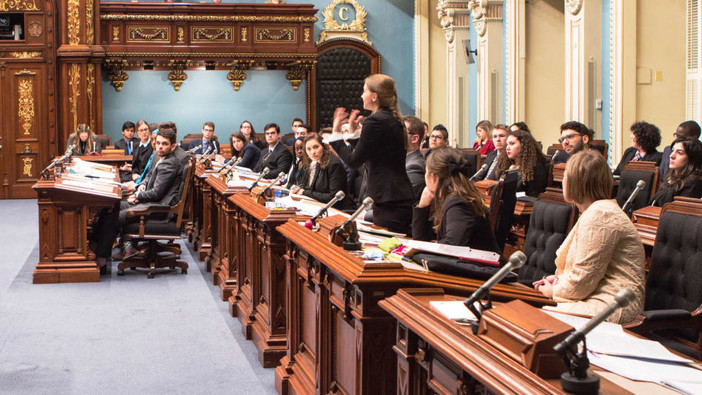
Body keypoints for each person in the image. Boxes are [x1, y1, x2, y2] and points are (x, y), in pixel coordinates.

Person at [533, 150, 645, 324]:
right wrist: (559, 280)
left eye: (565, 177)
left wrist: (552, 291)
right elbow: (587, 271)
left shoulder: (600, 215)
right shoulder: (594, 211)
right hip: (596, 296)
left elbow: (582, 282)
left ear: (577, 182)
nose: (562, 181)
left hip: (613, 303)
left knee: (537, 316)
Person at [331, 73, 415, 234]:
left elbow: (354, 160)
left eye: (364, 91)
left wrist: (336, 134)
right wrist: (355, 135)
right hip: (395, 196)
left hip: (389, 199)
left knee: (387, 249)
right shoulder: (390, 118)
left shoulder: (375, 121)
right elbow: (376, 152)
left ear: (374, 96)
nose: (362, 95)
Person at [94, 128, 183, 267]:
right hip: (149, 201)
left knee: (114, 217)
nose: (160, 146)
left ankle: (101, 258)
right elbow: (149, 177)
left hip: (157, 208)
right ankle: (96, 248)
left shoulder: (170, 164)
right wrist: (141, 186)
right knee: (110, 206)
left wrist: (138, 195)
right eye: (158, 143)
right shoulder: (159, 158)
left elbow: (157, 194)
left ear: (173, 146)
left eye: (164, 144)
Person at [413, 148, 500, 252]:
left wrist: (434, 245)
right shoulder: (452, 197)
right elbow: (421, 238)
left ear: (433, 177)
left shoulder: (458, 202)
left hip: (477, 266)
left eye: (426, 172)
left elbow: (452, 247)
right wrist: (422, 205)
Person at [291, 134, 353, 209]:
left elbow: (333, 197)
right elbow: (313, 189)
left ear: (323, 147)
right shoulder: (318, 161)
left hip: (338, 209)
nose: (313, 152)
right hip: (320, 206)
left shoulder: (334, 164)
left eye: (316, 147)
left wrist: (304, 192)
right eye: (309, 149)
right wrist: (298, 189)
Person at [651, 137, 702, 206]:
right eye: (672, 150)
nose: (671, 156)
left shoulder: (693, 183)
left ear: (692, 158)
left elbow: (679, 213)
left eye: (679, 153)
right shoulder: (671, 175)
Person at [496, 129, 548, 197]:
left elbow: (533, 196)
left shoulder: (536, 168)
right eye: (507, 144)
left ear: (523, 146)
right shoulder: (505, 165)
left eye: (512, 144)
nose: (507, 148)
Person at [403, 115, 426, 203]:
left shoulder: (415, 166)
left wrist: (367, 213)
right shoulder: (399, 161)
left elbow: (399, 203)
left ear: (414, 138)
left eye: (401, 131)